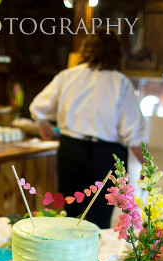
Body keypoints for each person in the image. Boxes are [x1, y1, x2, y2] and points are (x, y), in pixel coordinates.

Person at [29, 28, 147, 229]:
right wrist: (147, 165)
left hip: (70, 151)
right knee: (98, 218)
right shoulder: (120, 82)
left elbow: (38, 107)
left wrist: (44, 126)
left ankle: (69, 256)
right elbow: (133, 132)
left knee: (71, 213)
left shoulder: (68, 76)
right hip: (106, 156)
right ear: (116, 53)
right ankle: (94, 258)